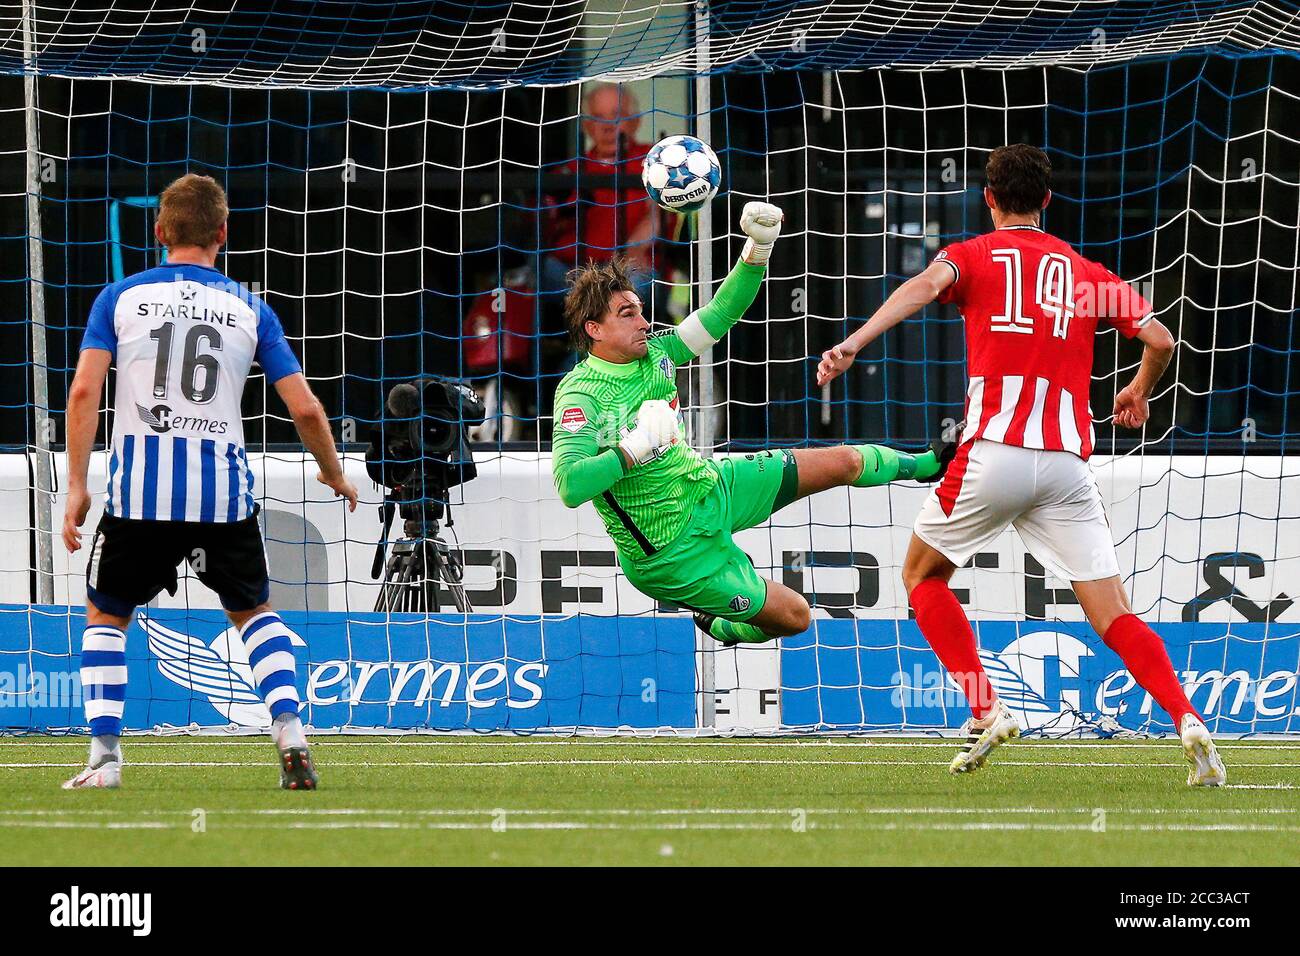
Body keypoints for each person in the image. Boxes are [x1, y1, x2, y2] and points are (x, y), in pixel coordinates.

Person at [817, 145, 1225, 786]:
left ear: (988, 199)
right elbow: (1161, 340)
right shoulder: (1085, 272)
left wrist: (852, 343)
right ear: (1047, 201)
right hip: (1066, 463)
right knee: (1113, 612)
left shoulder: (975, 254)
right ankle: (1186, 719)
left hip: (994, 454)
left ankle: (986, 708)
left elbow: (923, 288)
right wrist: (1139, 390)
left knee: (922, 577)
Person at [60, 173, 358, 790]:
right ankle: (290, 727)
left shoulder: (118, 298)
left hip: (140, 494)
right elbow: (304, 408)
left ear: (160, 230)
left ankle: (105, 760)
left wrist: (77, 486)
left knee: (106, 615)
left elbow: (85, 390)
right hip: (222, 494)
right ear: (223, 233)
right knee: (252, 612)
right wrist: (332, 471)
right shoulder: (250, 307)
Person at [552, 202, 954, 645]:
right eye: (627, 315)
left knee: (845, 462)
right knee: (796, 617)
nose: (645, 322)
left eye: (641, 309)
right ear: (594, 329)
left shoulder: (658, 352)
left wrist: (758, 247)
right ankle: (719, 625)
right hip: (671, 552)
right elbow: (571, 486)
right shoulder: (580, 394)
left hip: (710, 486)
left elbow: (721, 313)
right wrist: (636, 446)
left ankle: (929, 464)